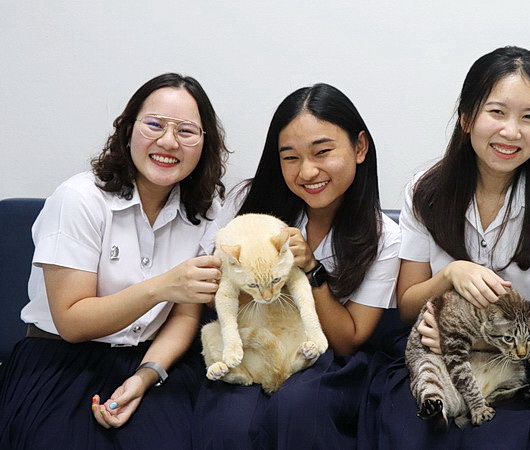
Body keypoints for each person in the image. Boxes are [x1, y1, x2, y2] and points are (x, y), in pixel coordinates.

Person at [359, 46, 530, 449]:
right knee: (410, 434)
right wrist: (449, 274)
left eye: (529, 117)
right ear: (467, 117)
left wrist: (470, 340)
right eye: (496, 112)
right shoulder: (425, 192)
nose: (511, 132)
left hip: (512, 366)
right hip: (432, 359)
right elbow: (409, 305)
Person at [0, 73, 229, 448]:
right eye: (154, 125)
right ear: (127, 130)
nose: (168, 141)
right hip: (60, 357)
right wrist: (161, 287)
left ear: (204, 144)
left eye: (187, 131)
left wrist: (146, 375)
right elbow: (72, 322)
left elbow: (186, 315)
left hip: (153, 360)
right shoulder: (78, 198)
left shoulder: (206, 211)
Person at [192, 83, 401, 449]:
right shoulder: (248, 202)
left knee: (299, 409)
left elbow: (347, 341)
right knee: (231, 423)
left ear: (360, 147)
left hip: (326, 360)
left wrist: (310, 268)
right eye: (290, 157)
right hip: (248, 343)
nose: (307, 172)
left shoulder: (384, 237)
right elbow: (211, 297)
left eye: (322, 152)